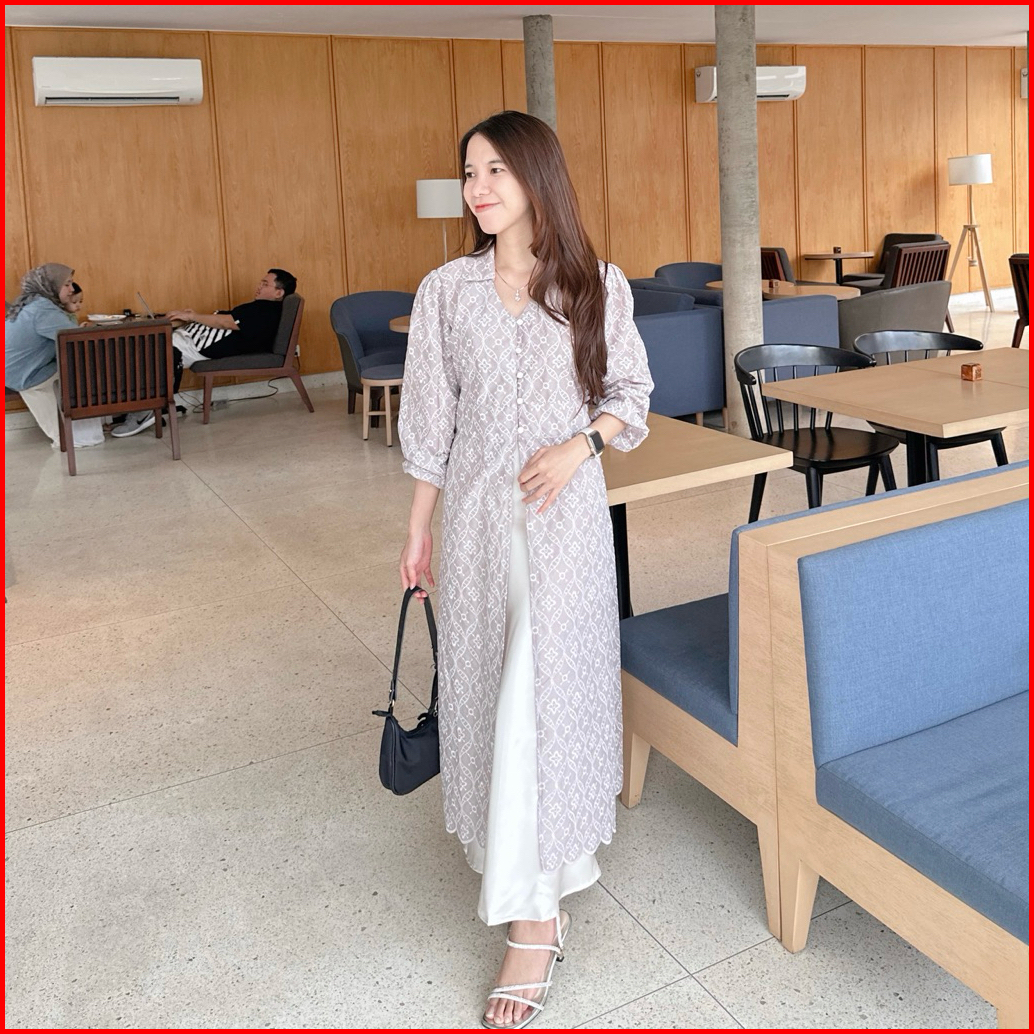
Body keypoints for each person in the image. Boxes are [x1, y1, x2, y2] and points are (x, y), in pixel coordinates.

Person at [397, 111, 653, 1030]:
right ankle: (535, 887)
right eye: (470, 172)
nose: (478, 188)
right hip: (475, 529)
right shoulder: (446, 291)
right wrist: (417, 531)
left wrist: (579, 446)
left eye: (496, 170)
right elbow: (430, 422)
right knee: (491, 697)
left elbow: (630, 395)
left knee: (540, 701)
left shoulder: (594, 284)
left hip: (563, 529)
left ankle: (533, 926)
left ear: (538, 176)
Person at [112, 268, 297, 437]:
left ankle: (144, 412)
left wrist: (193, 316)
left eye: (265, 284)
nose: (259, 286)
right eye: (261, 282)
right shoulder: (257, 307)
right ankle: (133, 406)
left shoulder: (267, 312)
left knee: (144, 353)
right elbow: (226, 318)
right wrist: (192, 317)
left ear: (278, 293)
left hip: (194, 347)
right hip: (188, 339)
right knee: (134, 347)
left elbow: (226, 322)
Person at [5, 263, 104, 448]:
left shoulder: (33, 302)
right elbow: (75, 340)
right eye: (67, 284)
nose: (72, 289)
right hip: (24, 374)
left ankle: (88, 424)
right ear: (51, 285)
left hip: (15, 370)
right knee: (87, 366)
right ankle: (91, 426)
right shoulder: (42, 309)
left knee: (79, 364)